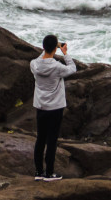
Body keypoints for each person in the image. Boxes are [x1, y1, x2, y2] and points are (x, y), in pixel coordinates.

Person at [30, 34, 76, 181]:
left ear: (43, 48)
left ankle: (38, 172)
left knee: (40, 139)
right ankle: (49, 173)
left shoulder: (34, 65)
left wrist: (49, 48)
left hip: (41, 107)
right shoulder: (57, 67)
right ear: (54, 49)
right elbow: (72, 68)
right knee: (52, 141)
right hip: (55, 108)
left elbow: (40, 57)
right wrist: (65, 53)